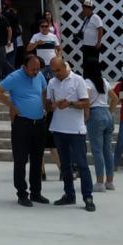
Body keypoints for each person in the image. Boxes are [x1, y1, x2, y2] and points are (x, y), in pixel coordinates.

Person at [0, 54, 49, 207]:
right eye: (33, 70)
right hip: (22, 123)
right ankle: (22, 193)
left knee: (37, 159)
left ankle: (36, 192)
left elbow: (44, 90)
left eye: (38, 69)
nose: (36, 72)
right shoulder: (14, 77)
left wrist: (45, 107)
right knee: (21, 159)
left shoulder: (39, 75)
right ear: (24, 67)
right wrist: (12, 106)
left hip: (39, 122)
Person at [46, 57, 95, 212]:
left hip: (76, 130)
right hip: (59, 128)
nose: (56, 73)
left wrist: (71, 104)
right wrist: (52, 105)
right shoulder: (52, 82)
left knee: (82, 165)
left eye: (58, 70)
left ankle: (88, 197)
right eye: (53, 71)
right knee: (65, 166)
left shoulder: (78, 80)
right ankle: (69, 194)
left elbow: (86, 103)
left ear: (65, 67)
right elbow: (47, 103)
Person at [85, 69, 119, 191]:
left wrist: (87, 117)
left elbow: (86, 102)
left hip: (95, 114)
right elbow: (115, 99)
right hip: (107, 114)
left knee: (97, 151)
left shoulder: (87, 82)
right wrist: (108, 113)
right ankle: (109, 182)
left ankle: (99, 183)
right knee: (107, 150)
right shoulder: (104, 81)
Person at [80, 0, 105, 84]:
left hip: (93, 46)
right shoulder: (87, 18)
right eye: (84, 7)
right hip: (86, 45)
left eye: (86, 8)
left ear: (90, 9)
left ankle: (95, 79)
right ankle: (86, 79)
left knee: (93, 63)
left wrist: (99, 42)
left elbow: (100, 29)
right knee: (86, 64)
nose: (84, 9)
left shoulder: (96, 18)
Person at [3, 2, 23, 70]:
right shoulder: (12, 15)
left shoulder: (4, 15)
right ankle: (10, 72)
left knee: (9, 57)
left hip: (9, 38)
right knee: (11, 57)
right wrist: (13, 13)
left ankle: (9, 73)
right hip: (11, 39)